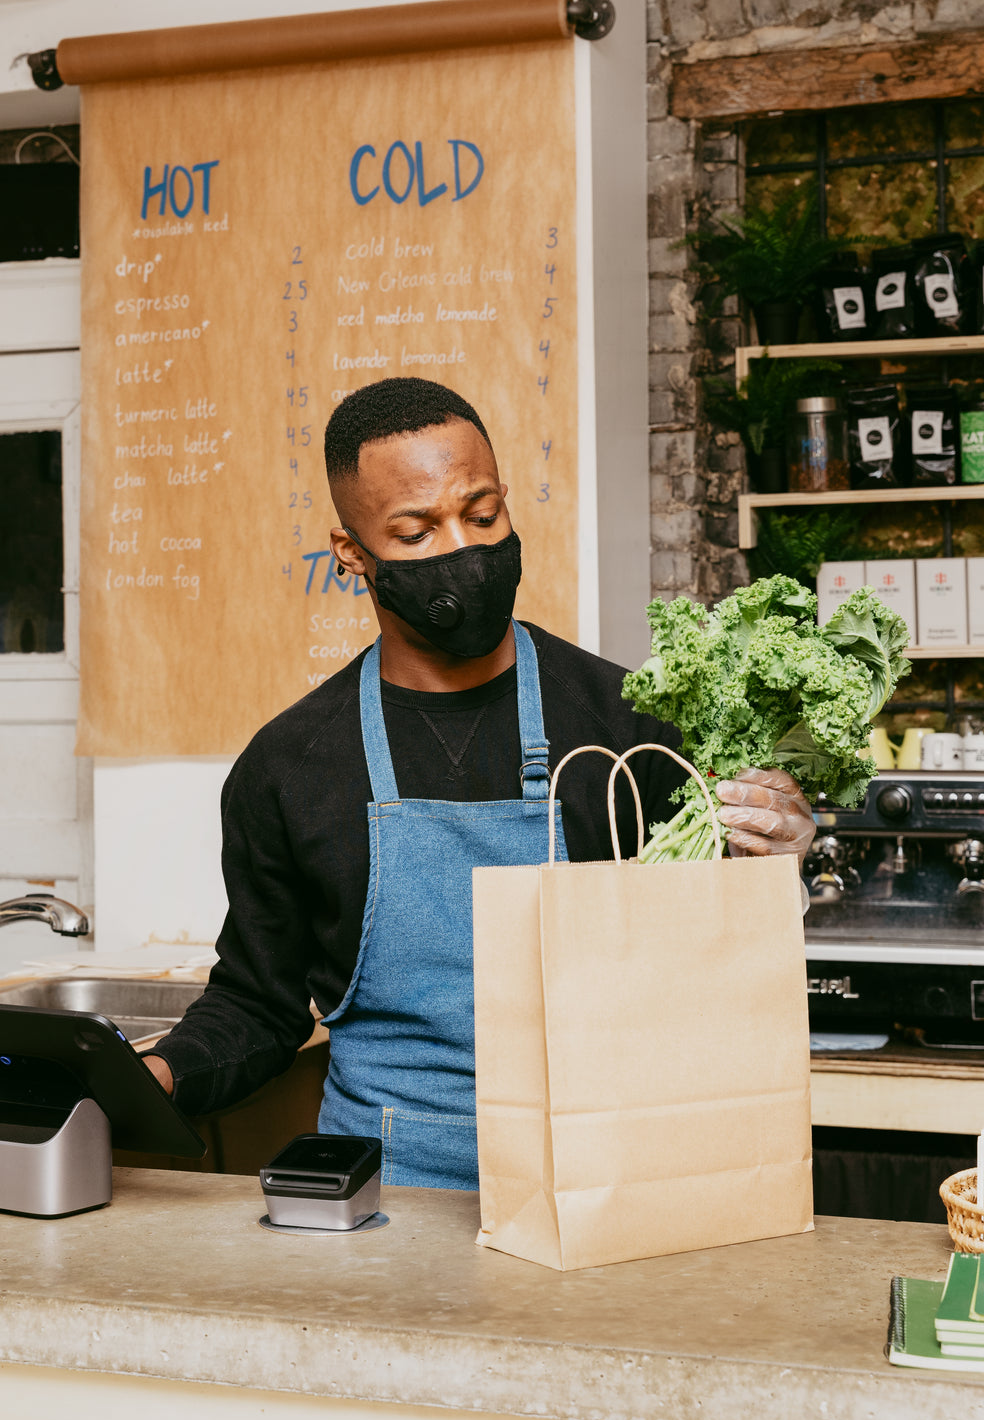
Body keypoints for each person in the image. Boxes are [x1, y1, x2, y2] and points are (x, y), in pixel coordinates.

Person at [143, 377, 815, 1188]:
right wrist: (156, 1076)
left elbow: (714, 971)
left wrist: (773, 869)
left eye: (484, 513)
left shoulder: (627, 723)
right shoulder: (290, 765)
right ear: (353, 552)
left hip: (608, 1181)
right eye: (417, 530)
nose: (463, 547)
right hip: (388, 1198)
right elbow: (259, 1004)